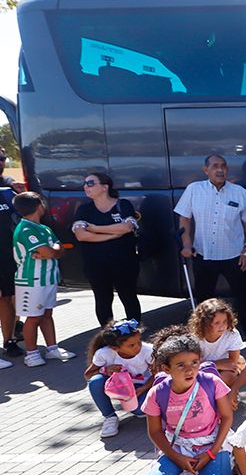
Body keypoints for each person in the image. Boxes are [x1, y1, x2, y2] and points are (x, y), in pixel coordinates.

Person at [139, 333, 233, 475]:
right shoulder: (157, 393)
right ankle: (186, 471)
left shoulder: (211, 382)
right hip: (178, 447)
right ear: (167, 369)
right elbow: (154, 431)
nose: (189, 370)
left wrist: (211, 453)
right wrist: (177, 458)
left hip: (212, 444)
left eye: (194, 362)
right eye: (180, 365)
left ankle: (222, 464)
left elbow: (227, 417)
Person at [175, 154, 246, 327]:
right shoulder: (194, 190)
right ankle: (203, 334)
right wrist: (186, 244)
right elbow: (184, 219)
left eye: (223, 166)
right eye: (215, 166)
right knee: (204, 301)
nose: (220, 170)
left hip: (234, 256)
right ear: (206, 170)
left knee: (243, 297)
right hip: (203, 254)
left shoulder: (239, 192)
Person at [71, 171, 141, 326]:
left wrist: (95, 228)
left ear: (104, 187)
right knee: (103, 299)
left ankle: (135, 333)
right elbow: (81, 235)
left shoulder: (123, 205)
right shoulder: (84, 209)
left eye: (90, 183)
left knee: (128, 296)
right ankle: (108, 336)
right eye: (84, 183)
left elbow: (127, 227)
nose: (85, 187)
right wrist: (112, 234)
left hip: (124, 263)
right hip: (96, 265)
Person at [12, 192, 73, 367]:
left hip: (48, 279)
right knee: (33, 317)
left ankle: (52, 348)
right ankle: (31, 354)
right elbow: (52, 252)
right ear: (39, 206)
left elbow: (60, 250)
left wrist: (53, 251)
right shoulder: (25, 229)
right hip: (32, 281)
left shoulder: (45, 228)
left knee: (47, 314)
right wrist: (52, 251)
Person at [84, 318, 153, 439]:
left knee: (139, 411)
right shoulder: (104, 353)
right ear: (115, 348)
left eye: (139, 342)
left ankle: (136, 405)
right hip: (118, 386)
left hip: (141, 386)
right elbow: (88, 374)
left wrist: (143, 388)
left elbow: (159, 374)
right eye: (131, 345)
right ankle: (109, 417)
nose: (138, 347)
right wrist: (105, 370)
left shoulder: (147, 351)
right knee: (95, 382)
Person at [188, 298, 246, 389]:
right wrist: (217, 364)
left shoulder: (232, 334)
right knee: (207, 379)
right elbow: (194, 364)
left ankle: (225, 396)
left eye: (225, 321)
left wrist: (213, 364)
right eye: (217, 323)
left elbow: (232, 363)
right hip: (202, 370)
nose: (222, 326)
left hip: (225, 370)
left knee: (228, 376)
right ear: (205, 323)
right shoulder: (195, 338)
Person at [0, 155, 22, 358]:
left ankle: (9, 341)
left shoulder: (7, 194)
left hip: (7, 259)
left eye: (1, 159)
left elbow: (25, 217)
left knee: (8, 300)